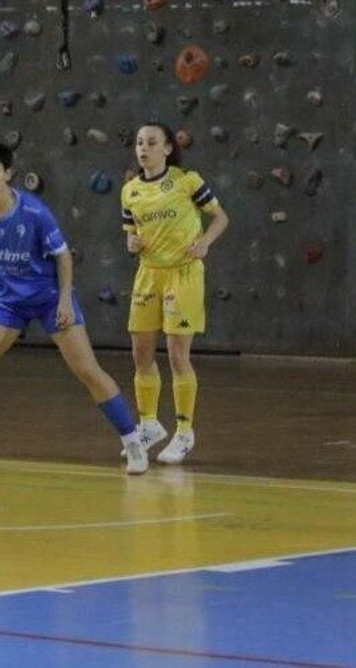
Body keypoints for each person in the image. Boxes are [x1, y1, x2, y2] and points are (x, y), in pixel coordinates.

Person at [0, 141, 148, 475]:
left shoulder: (34, 212)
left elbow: (63, 256)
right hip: (8, 301)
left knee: (87, 370)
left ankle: (132, 441)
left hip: (49, 297)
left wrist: (66, 299)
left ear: (7, 174)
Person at [121, 122, 230, 465]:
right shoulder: (130, 191)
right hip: (148, 275)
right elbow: (131, 234)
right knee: (140, 354)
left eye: (151, 142)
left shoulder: (187, 181)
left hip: (182, 274)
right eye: (139, 142)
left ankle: (184, 431)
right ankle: (149, 424)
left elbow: (220, 217)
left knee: (177, 355)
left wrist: (205, 242)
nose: (144, 148)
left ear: (167, 148)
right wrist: (132, 242)